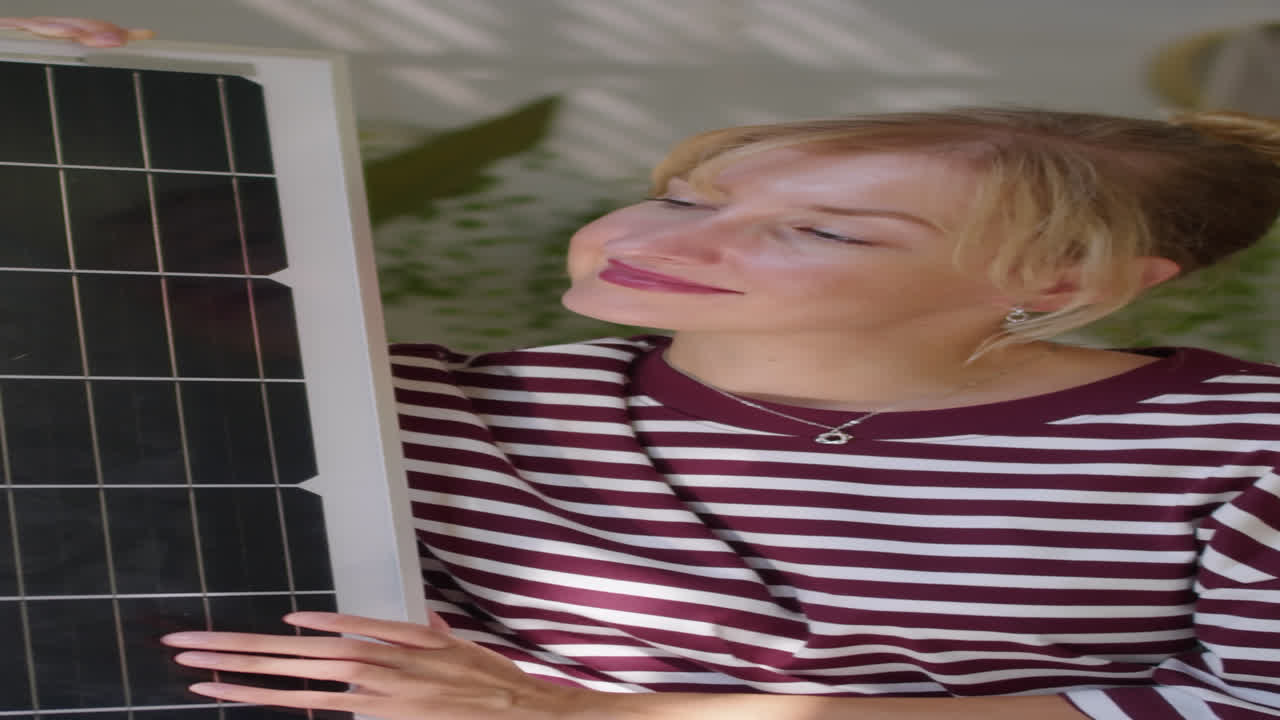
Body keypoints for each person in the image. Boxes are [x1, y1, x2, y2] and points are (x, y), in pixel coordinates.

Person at [7, 17, 1280, 720]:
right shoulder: (407, 407)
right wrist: (45, 90)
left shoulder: (1241, 449)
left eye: (823, 228)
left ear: (1052, 287)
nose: (656, 242)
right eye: (679, 195)